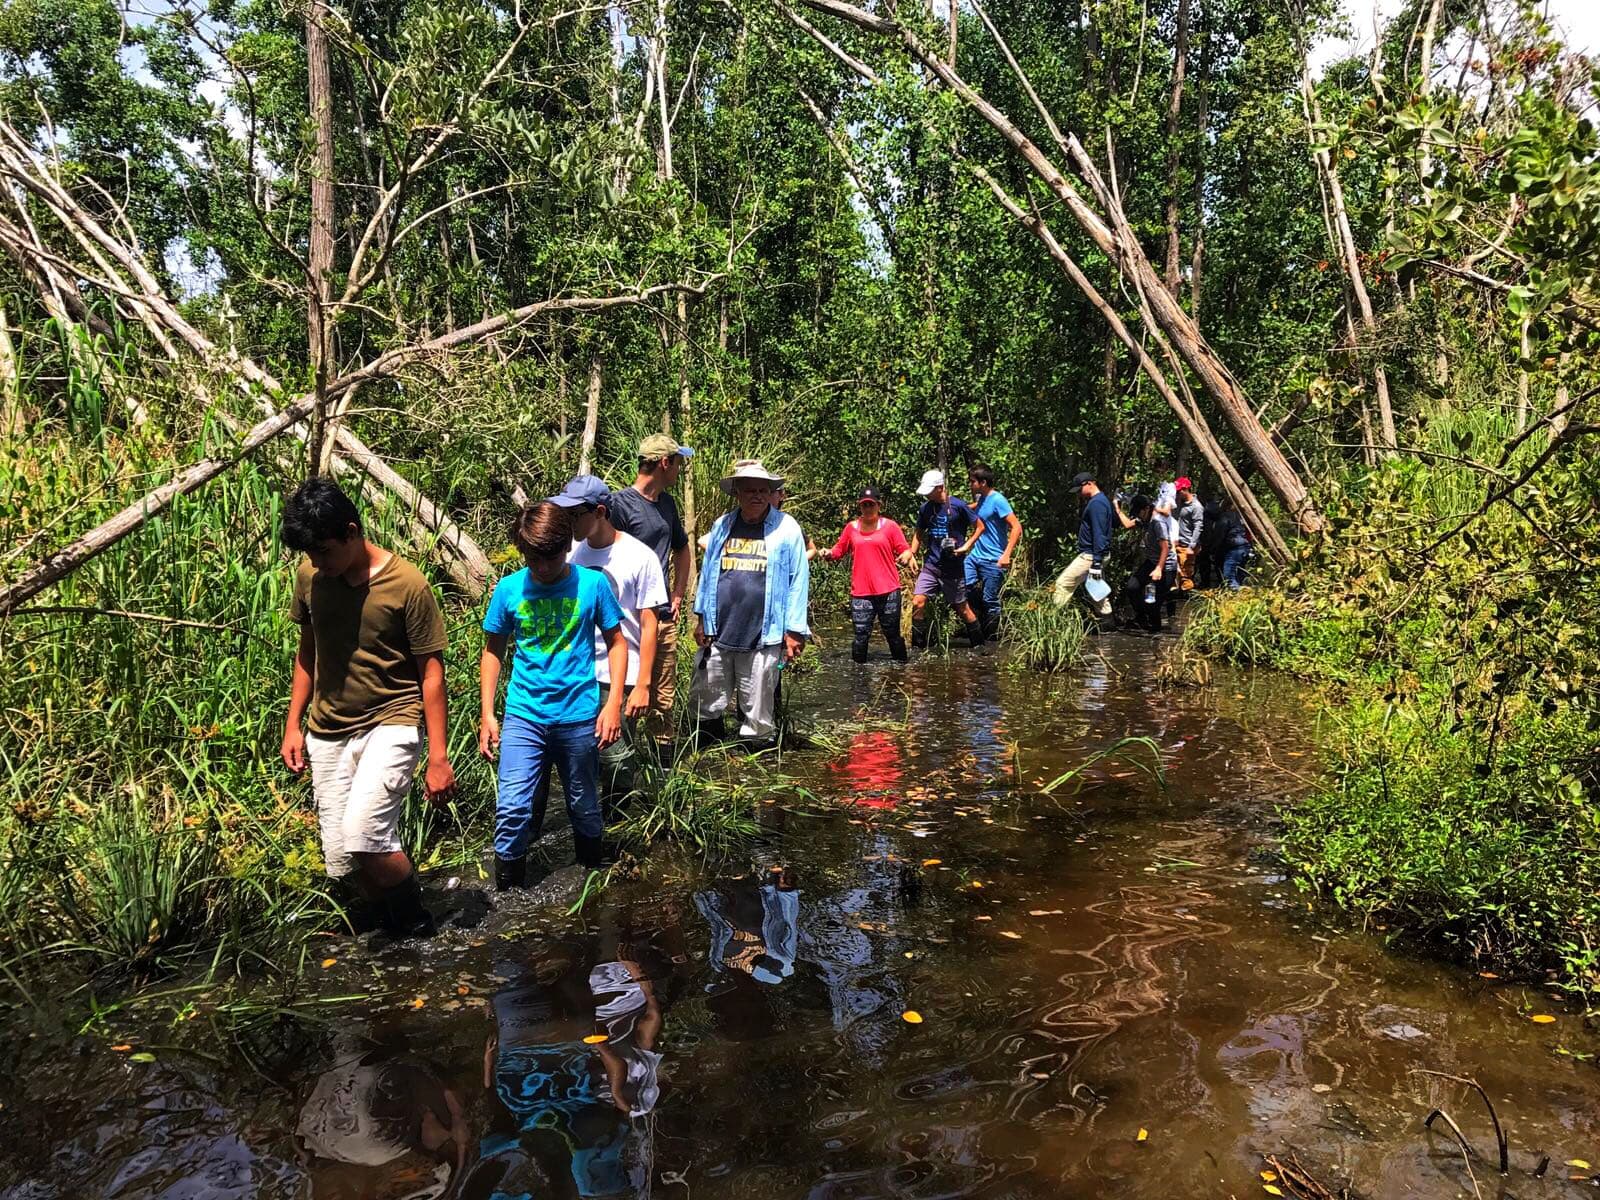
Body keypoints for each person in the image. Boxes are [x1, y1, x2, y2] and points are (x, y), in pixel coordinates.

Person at [279, 477, 454, 940]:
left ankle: (419, 929)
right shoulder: (310, 577)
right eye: (310, 554)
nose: (318, 563)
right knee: (343, 857)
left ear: (352, 532)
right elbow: (307, 652)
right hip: (328, 728)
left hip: (392, 720)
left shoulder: (407, 584)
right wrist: (293, 724)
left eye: (324, 552)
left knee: (364, 835)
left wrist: (438, 756)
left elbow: (431, 672)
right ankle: (388, 930)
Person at [479, 501, 628, 889]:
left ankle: (591, 887)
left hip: (578, 714)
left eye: (551, 557)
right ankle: (508, 896)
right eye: (533, 559)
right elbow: (493, 651)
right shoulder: (509, 589)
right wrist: (487, 713)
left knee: (584, 804)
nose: (543, 568)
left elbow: (617, 642)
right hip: (524, 714)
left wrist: (613, 703)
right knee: (512, 807)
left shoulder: (592, 585)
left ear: (566, 546)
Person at [555, 475, 667, 803]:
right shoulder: (571, 554)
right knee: (581, 756)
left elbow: (649, 624)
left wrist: (643, 684)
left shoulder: (639, 557)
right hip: (577, 673)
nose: (568, 522)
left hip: (619, 675)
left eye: (575, 514)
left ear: (600, 512)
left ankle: (618, 823)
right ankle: (590, 820)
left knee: (616, 758)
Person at [692, 459, 811, 749]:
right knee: (706, 697)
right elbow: (708, 573)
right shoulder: (722, 525)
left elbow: (798, 579)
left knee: (758, 707)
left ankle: (757, 758)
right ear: (737, 492)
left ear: (771, 493)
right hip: (719, 631)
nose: (757, 496)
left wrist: (795, 630)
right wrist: (702, 618)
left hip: (763, 634)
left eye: (762, 490)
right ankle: (708, 753)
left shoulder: (786, 528)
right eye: (750, 490)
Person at [606, 435, 693, 744]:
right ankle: (621, 760)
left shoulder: (667, 504)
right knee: (624, 692)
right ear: (664, 463)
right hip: (628, 622)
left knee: (663, 701)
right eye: (678, 462)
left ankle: (662, 766)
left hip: (662, 617)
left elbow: (682, 549)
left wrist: (678, 594)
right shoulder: (618, 505)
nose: (680, 469)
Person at [826, 485, 912, 663]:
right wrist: (828, 553)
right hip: (861, 592)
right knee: (861, 636)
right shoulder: (851, 528)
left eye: (871, 504)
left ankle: (902, 670)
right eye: (864, 505)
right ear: (860, 506)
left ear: (879, 505)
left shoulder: (890, 527)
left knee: (892, 634)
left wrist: (906, 555)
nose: (868, 508)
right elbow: (839, 550)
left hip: (888, 590)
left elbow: (904, 549)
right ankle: (858, 674)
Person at [907, 469, 990, 654]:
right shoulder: (926, 509)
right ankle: (917, 648)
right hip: (932, 565)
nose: (927, 495)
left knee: (962, 608)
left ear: (940, 488)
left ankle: (979, 646)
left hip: (953, 568)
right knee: (918, 602)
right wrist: (912, 553)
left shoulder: (959, 506)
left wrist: (967, 545)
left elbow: (980, 527)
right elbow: (919, 533)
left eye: (930, 491)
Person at [964, 463, 1023, 642]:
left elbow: (1016, 527)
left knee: (990, 600)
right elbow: (978, 506)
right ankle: (978, 623)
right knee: (964, 587)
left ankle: (992, 640)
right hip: (975, 556)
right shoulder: (982, 497)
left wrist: (1006, 555)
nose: (970, 484)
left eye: (972, 481)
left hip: (993, 558)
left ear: (983, 482)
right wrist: (961, 508)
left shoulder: (998, 500)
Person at [1051, 471, 1114, 619]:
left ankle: (1053, 618)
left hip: (1091, 555)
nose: (1079, 494)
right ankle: (1108, 622)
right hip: (1096, 554)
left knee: (1062, 584)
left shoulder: (1097, 504)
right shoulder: (1102, 500)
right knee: (1096, 588)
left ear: (1089, 484)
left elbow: (1099, 533)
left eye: (1080, 490)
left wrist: (1096, 562)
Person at [1120, 494, 1176, 632]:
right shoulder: (1144, 520)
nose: (1137, 516)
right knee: (1132, 587)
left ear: (1146, 509)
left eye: (1139, 512)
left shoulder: (1157, 523)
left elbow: (1165, 548)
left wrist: (1159, 569)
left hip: (1166, 566)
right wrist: (1117, 508)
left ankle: (1155, 630)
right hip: (1151, 562)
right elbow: (1127, 524)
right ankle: (1141, 617)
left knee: (1153, 602)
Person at [1213, 497, 1254, 589]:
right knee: (1241, 573)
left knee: (1229, 575)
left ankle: (1235, 592)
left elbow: (1219, 535)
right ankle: (1243, 591)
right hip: (1245, 546)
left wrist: (1214, 548)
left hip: (1234, 548)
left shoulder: (1225, 517)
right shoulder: (1242, 516)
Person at [1173, 477, 1204, 596]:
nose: (1177, 494)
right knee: (1178, 572)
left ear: (1185, 489)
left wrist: (1191, 546)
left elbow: (1198, 527)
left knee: (1186, 574)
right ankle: (1180, 595)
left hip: (1187, 545)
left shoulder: (1196, 507)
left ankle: (1188, 598)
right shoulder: (1180, 504)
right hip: (1178, 543)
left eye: (1179, 491)